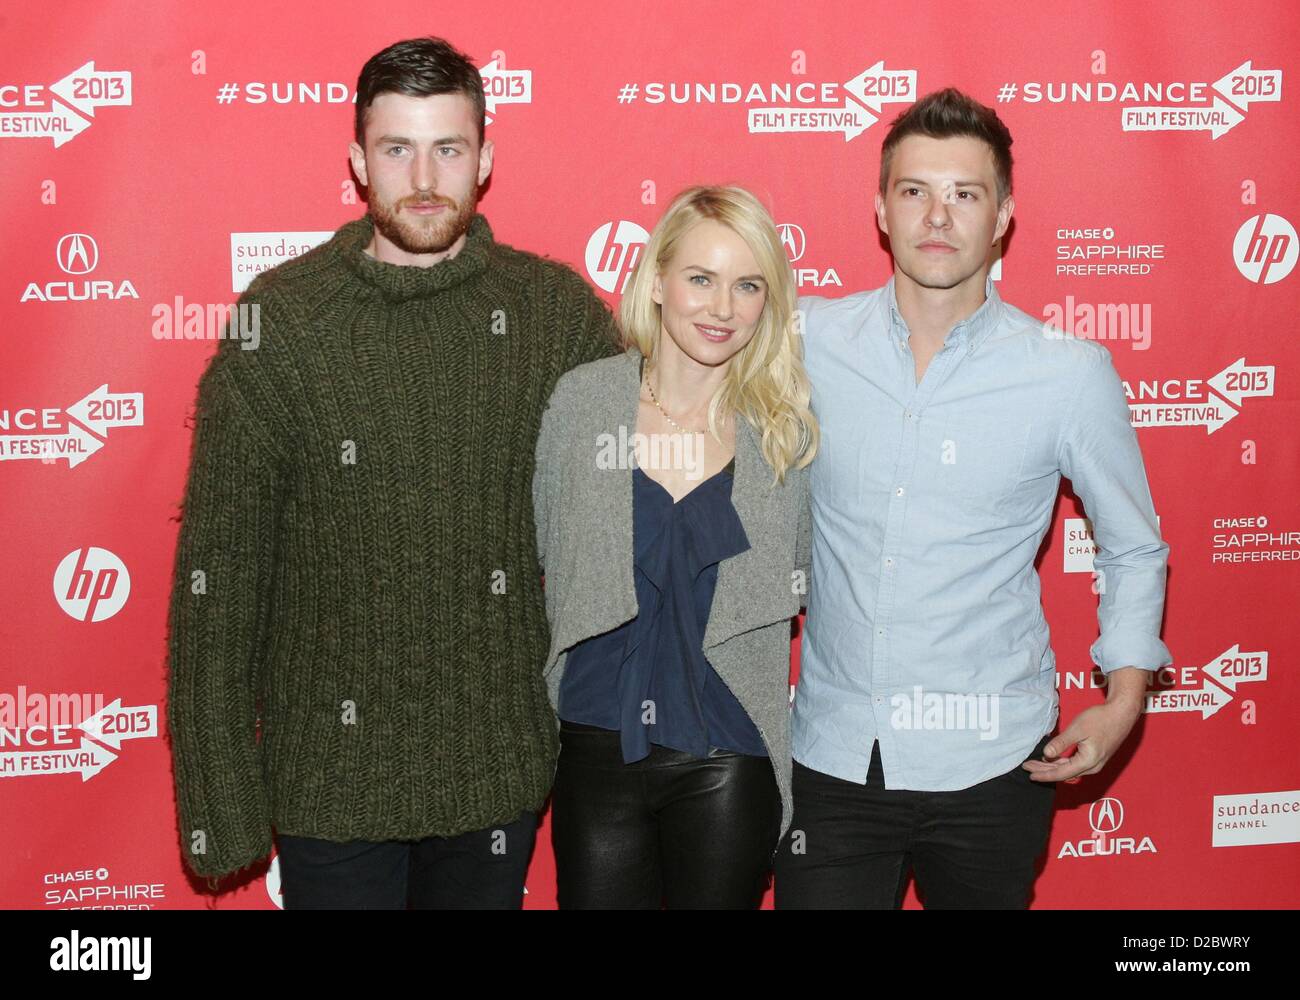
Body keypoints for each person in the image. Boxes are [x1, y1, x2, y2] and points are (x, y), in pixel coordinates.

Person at [166, 36, 620, 909]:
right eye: (396, 148)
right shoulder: (282, 324)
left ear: (484, 159)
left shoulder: (554, 318)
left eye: (448, 148)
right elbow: (218, 579)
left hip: (496, 775)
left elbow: (629, 517)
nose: (423, 176)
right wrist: (219, 799)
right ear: (357, 161)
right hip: (328, 788)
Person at [776, 88, 1171, 909]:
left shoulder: (1067, 372)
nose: (938, 216)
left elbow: (1133, 544)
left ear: (1003, 217)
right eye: (915, 190)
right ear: (881, 209)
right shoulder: (805, 340)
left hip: (994, 765)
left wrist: (1124, 698)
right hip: (835, 760)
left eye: (965, 194)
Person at [532, 185, 818, 908]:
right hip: (596, 745)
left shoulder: (782, 433)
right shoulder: (583, 402)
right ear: (657, 281)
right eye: (701, 278)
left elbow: (806, 574)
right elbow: (542, 551)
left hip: (726, 752)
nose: (722, 308)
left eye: (747, 285)